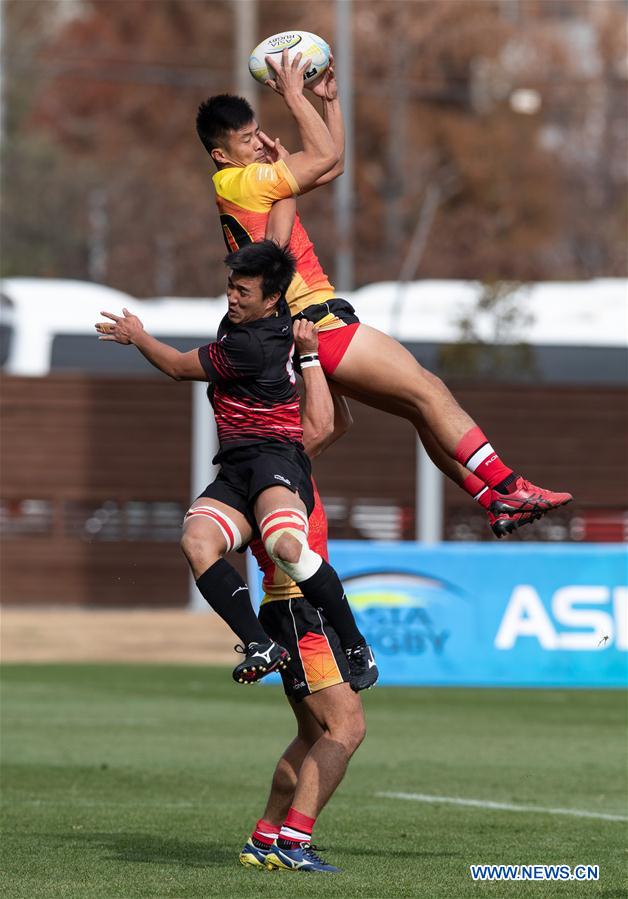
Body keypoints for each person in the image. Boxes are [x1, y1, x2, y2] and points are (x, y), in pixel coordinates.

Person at [195, 50, 572, 539]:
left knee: (406, 411)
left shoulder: (250, 183)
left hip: (303, 324)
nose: (257, 145)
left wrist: (329, 103)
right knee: (429, 390)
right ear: (222, 154)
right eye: (246, 141)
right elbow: (324, 158)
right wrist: (293, 96)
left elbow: (331, 168)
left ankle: (492, 501)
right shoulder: (242, 181)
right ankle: (509, 487)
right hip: (316, 321)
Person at [95, 240, 377, 689]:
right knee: (196, 541)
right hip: (236, 467)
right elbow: (277, 242)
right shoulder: (248, 320)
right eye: (230, 287)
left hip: (275, 458)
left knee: (286, 547)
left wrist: (139, 337)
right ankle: (259, 644)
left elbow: (177, 368)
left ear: (271, 300)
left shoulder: (253, 344)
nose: (232, 297)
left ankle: (355, 641)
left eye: (243, 292)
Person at [239, 364, 363, 874]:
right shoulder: (267, 472)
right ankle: (293, 843)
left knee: (313, 735)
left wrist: (336, 370)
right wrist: (313, 361)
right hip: (298, 608)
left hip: (287, 608)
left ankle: (264, 838)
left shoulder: (275, 466)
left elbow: (338, 422)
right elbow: (325, 423)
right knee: (346, 727)